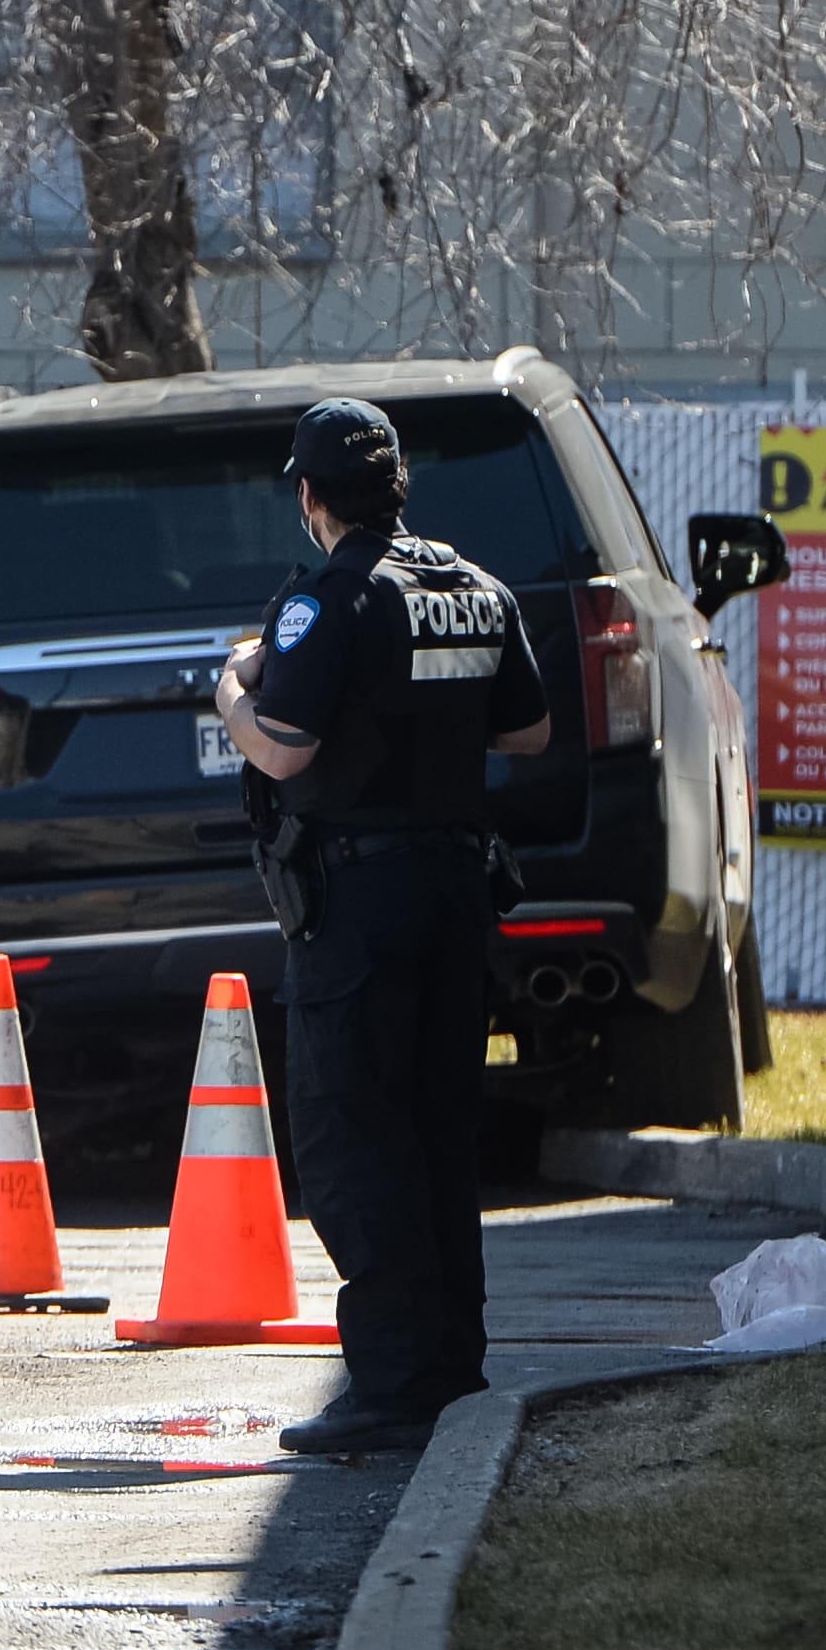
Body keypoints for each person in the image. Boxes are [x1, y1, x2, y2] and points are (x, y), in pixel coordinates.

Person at [211, 398, 552, 1457]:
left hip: (357, 906)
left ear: (308, 496)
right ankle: (448, 1366)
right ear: (396, 484)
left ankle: (392, 1384)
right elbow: (530, 730)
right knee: (437, 1126)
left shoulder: (330, 598)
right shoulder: (473, 589)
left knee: (354, 1134)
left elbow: (280, 749)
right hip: (454, 891)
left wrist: (231, 690)